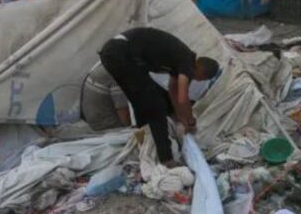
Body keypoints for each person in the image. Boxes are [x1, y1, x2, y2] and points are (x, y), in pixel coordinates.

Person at [98, 27, 220, 165]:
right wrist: (190, 121)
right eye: (200, 79)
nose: (196, 81)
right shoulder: (188, 62)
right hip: (123, 53)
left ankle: (144, 140)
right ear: (202, 72)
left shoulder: (180, 60)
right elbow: (182, 97)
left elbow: (173, 91)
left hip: (111, 53)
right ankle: (166, 159)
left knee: (140, 101)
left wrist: (179, 117)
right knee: (157, 105)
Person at [81, 61, 130, 131]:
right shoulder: (117, 75)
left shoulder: (101, 66)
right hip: (109, 127)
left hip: (93, 122)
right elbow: (124, 114)